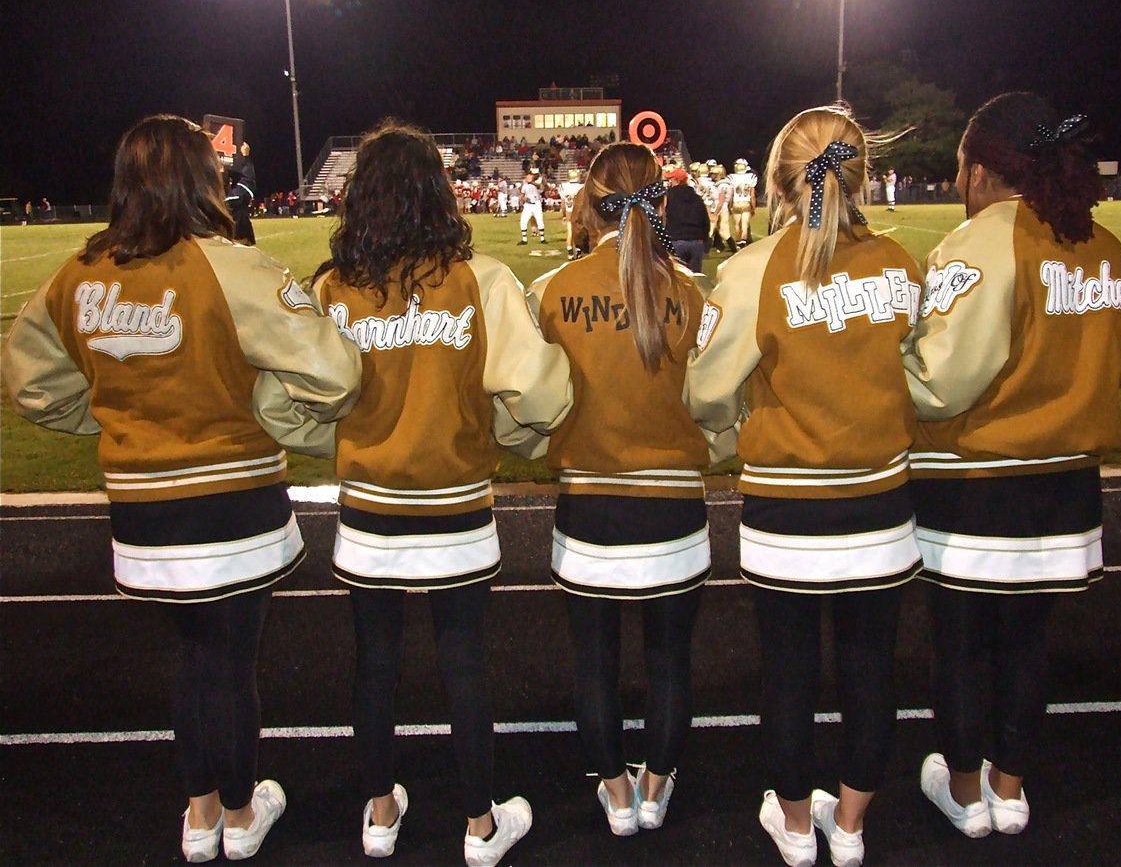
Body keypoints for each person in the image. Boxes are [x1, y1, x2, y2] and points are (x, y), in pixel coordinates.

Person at [1, 114, 362, 863]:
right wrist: (271, 409)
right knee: (230, 659)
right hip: (231, 496)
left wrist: (110, 420)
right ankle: (236, 813)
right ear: (205, 179)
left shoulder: (78, 272)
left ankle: (199, 813)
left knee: (196, 656)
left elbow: (32, 385)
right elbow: (334, 373)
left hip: (139, 506)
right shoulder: (231, 266)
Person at [288, 120, 572, 865]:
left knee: (373, 663)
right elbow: (539, 395)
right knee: (464, 662)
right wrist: (509, 439)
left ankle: (379, 812)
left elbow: (303, 401)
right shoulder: (481, 280)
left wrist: (343, 443)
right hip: (456, 503)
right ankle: (480, 825)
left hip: (369, 505)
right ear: (438, 193)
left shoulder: (332, 287)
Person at [686, 105, 922, 867]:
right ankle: (849, 827)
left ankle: (793, 826)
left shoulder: (753, 269)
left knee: (786, 672)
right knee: (869, 670)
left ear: (783, 179)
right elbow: (916, 372)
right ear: (859, 174)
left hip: (786, 503)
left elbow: (704, 392)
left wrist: (737, 423)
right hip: (881, 500)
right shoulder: (899, 261)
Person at [902, 92, 1121, 840]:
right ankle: (1012, 786)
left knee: (964, 644)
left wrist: (884, 365)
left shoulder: (981, 242)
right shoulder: (1104, 245)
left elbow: (941, 381)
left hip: (981, 478)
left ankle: (967, 792)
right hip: (1067, 480)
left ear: (978, 167)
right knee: (1028, 641)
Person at [526, 142, 715, 837]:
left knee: (594, 661)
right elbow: (713, 403)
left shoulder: (551, 290)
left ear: (586, 204)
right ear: (659, 205)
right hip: (673, 504)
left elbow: (528, 402)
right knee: (670, 658)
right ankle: (656, 785)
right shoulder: (690, 293)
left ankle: (615, 790)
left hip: (590, 502)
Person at [664, 167, 710, 275]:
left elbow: (662, 218)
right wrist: (705, 239)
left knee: (678, 278)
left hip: (676, 240)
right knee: (695, 278)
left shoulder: (667, 197)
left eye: (671, 179)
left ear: (677, 181)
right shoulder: (696, 198)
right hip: (696, 242)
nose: (669, 182)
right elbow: (705, 220)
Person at [226, 141, 257, 245]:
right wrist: (246, 157)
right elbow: (248, 182)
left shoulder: (203, 197)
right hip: (237, 243)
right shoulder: (232, 199)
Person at [728, 158, 757, 248]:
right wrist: (753, 207)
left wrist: (729, 205)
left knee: (737, 225)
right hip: (746, 202)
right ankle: (743, 241)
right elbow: (752, 195)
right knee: (744, 225)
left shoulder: (731, 177)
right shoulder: (751, 177)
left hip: (736, 203)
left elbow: (731, 194)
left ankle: (738, 243)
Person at [558, 167, 584, 258]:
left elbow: (563, 202)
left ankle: (570, 253)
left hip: (569, 211)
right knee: (579, 232)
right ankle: (579, 251)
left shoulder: (564, 186)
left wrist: (563, 215)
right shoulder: (582, 187)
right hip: (579, 211)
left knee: (570, 232)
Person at [519, 168, 546, 245]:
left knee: (540, 220)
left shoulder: (537, 182)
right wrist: (523, 198)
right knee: (523, 221)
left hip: (536, 203)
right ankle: (524, 239)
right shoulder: (525, 185)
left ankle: (542, 238)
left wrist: (531, 182)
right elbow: (522, 194)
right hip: (528, 205)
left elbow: (540, 187)